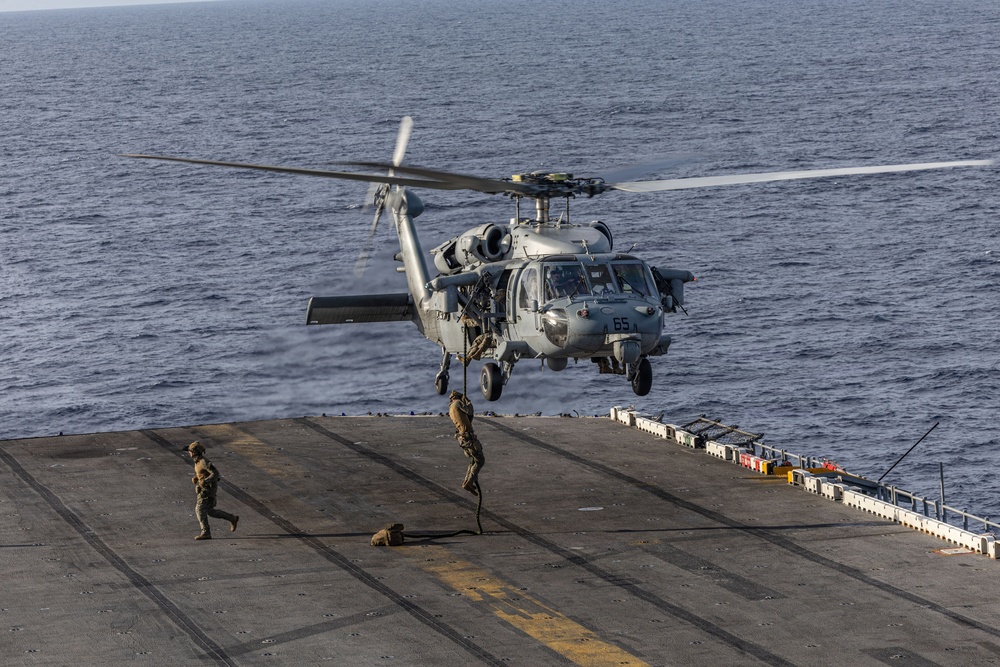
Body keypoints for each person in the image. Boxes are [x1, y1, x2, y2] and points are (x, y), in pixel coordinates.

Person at [185, 441, 239, 540]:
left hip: (208, 489)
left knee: (199, 509)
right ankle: (232, 518)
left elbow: (215, 473)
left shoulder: (203, 462)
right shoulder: (197, 462)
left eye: (190, 451)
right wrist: (196, 478)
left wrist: (205, 481)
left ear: (195, 452)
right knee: (210, 511)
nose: (189, 453)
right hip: (205, 488)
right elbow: (203, 473)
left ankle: (206, 532)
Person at [448, 391, 485, 495]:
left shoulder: (451, 408)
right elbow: (470, 412)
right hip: (468, 437)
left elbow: (466, 419)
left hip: (462, 438)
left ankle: (467, 481)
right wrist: (468, 402)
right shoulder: (458, 403)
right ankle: (468, 482)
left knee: (474, 459)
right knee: (480, 460)